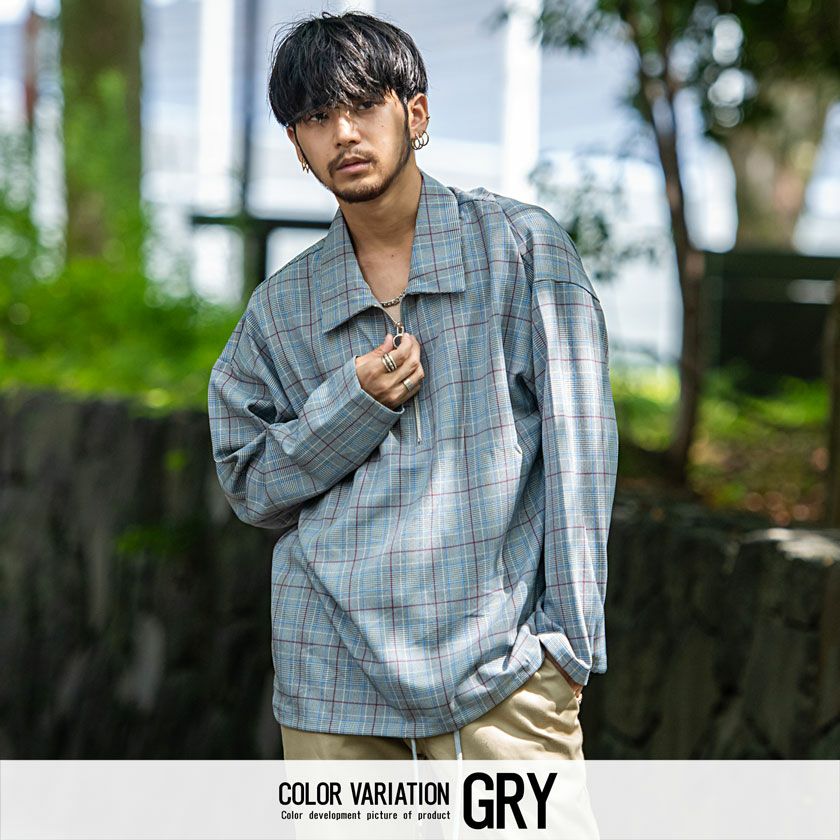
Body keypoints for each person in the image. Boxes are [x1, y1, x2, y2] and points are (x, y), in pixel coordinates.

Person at [207, 11, 619, 766]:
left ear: (416, 114)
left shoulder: (521, 252)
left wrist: (568, 650)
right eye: (317, 118)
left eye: (364, 106)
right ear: (297, 145)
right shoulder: (279, 310)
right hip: (331, 688)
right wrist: (351, 408)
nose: (344, 134)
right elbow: (250, 485)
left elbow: (582, 457)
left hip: (504, 680)